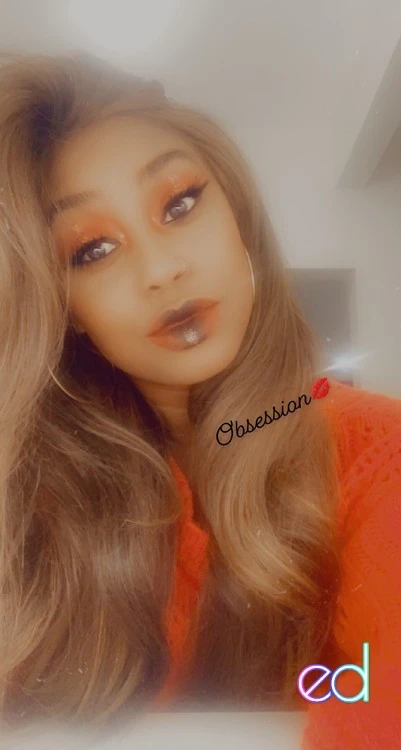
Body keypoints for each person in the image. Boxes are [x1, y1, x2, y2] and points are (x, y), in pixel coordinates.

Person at [0, 51, 399, 750]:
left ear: (238, 217)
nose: (162, 270)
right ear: (65, 311)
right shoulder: (33, 497)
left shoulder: (375, 453)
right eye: (92, 249)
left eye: (179, 205)